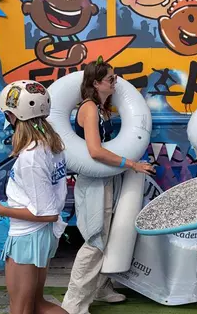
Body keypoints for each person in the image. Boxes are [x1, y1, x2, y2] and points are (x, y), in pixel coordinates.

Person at [62, 59, 155, 314]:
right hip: (93, 181)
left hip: (107, 178)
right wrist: (132, 164)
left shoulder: (103, 108)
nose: (116, 82)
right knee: (95, 240)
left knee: (110, 234)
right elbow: (94, 151)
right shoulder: (90, 108)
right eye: (111, 79)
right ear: (95, 83)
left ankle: (101, 287)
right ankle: (73, 304)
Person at [0, 80, 68, 314]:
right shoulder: (50, 145)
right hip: (36, 236)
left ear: (13, 115)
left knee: (21, 308)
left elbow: (46, 213)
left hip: (28, 237)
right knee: (36, 305)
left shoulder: (31, 155)